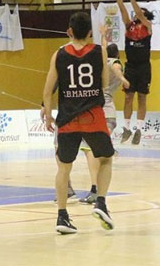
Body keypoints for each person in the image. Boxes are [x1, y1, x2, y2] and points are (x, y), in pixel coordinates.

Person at [42, 12, 115, 234]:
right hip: (93, 115)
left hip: (67, 117)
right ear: (90, 32)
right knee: (106, 159)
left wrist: (47, 114)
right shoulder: (99, 51)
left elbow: (47, 90)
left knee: (64, 167)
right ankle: (101, 202)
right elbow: (103, 83)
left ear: (70, 31)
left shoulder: (59, 54)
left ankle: (62, 217)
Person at [79, 42, 129, 204]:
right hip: (100, 112)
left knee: (92, 151)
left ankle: (96, 190)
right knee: (94, 151)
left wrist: (122, 78)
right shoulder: (103, 62)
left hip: (104, 113)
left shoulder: (111, 63)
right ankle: (96, 189)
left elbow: (115, 67)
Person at [106, 0, 153, 145]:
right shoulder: (129, 26)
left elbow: (139, 13)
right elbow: (122, 10)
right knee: (128, 97)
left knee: (142, 98)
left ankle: (138, 129)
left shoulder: (147, 27)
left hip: (144, 66)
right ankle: (126, 128)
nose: (135, 16)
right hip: (131, 66)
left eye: (140, 15)